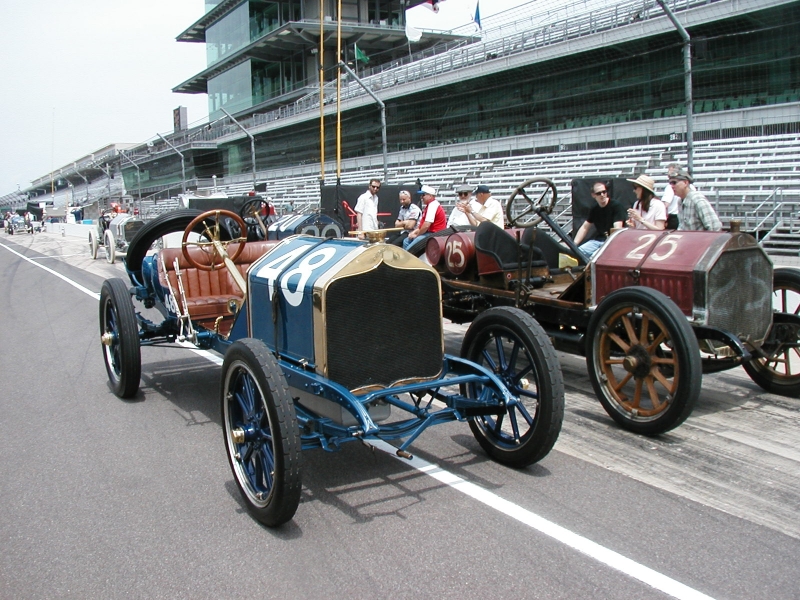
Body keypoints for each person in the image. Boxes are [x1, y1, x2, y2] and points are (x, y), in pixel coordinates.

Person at [573, 181, 627, 257]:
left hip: (611, 242)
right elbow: (585, 227)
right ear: (593, 195)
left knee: (595, 257)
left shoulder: (616, 206)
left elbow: (617, 229)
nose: (602, 195)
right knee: (578, 253)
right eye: (599, 193)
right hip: (598, 241)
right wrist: (574, 244)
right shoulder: (594, 208)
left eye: (604, 192)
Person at [671, 167, 722, 231]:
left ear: (685, 183)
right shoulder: (680, 201)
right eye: (670, 183)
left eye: (674, 182)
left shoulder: (697, 199)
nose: (672, 186)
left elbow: (715, 227)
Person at [404, 185, 446, 251]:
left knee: (411, 248)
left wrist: (417, 235)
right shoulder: (430, 205)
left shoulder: (433, 206)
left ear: (430, 196)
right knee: (406, 241)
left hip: (436, 234)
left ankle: (408, 258)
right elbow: (422, 226)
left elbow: (426, 225)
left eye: (423, 195)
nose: (421, 197)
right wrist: (414, 232)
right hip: (430, 233)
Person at [660, 163, 684, 230]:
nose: (668, 173)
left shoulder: (670, 186)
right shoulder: (690, 186)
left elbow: (665, 204)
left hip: (673, 218)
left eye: (670, 171)